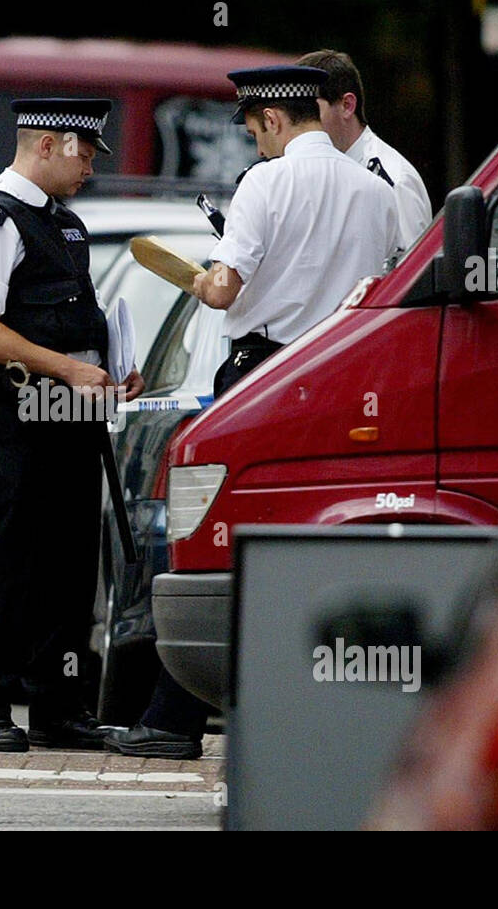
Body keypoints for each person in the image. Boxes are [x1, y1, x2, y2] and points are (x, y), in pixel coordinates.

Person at [105, 66, 399, 759]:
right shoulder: (377, 191)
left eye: (252, 129)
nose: (252, 144)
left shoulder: (266, 184)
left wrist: (203, 276)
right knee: (321, 545)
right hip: (345, 379)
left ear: (272, 119)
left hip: (263, 379)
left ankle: (174, 719)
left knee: (224, 539)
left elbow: (222, 290)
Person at [0, 98, 145, 752]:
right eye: (84, 152)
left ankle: (59, 707)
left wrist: (109, 369)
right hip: (16, 413)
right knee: (9, 561)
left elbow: (72, 321)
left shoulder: (65, 225)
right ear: (50, 145)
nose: (89, 166)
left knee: (67, 568)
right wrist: (66, 367)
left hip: (71, 416)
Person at [298, 49, 433, 251]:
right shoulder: (313, 171)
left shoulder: (393, 181)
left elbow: (411, 274)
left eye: (311, 110)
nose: (300, 123)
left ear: (347, 105)